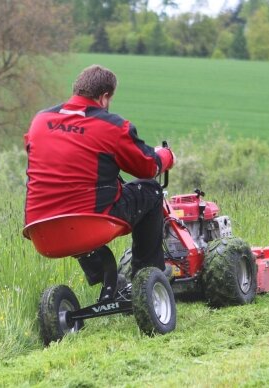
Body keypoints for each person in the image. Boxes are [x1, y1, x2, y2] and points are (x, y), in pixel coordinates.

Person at [24, 64, 175, 300]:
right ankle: (147, 279)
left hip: (40, 227)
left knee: (79, 210)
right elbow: (146, 167)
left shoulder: (40, 120)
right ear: (104, 97)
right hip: (89, 220)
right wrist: (165, 156)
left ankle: (108, 283)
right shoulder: (111, 126)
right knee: (151, 190)